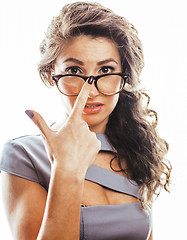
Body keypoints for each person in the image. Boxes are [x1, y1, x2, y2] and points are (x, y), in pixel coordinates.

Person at [0, 2, 171, 240]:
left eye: (105, 70)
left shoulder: (135, 150)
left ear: (123, 76)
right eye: (74, 71)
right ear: (52, 74)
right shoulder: (24, 154)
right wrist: (66, 169)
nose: (89, 92)